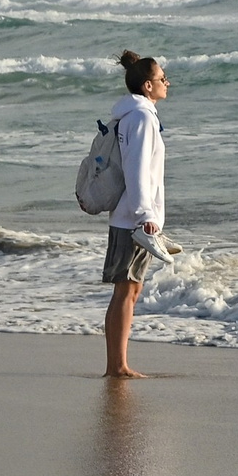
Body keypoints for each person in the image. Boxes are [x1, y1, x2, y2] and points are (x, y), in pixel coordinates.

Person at [101, 49, 170, 379]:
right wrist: (146, 216)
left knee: (129, 289)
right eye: (161, 79)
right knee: (126, 290)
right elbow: (137, 169)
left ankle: (117, 364)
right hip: (133, 219)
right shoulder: (141, 118)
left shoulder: (134, 115)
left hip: (130, 216)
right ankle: (118, 366)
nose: (166, 83)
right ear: (147, 86)